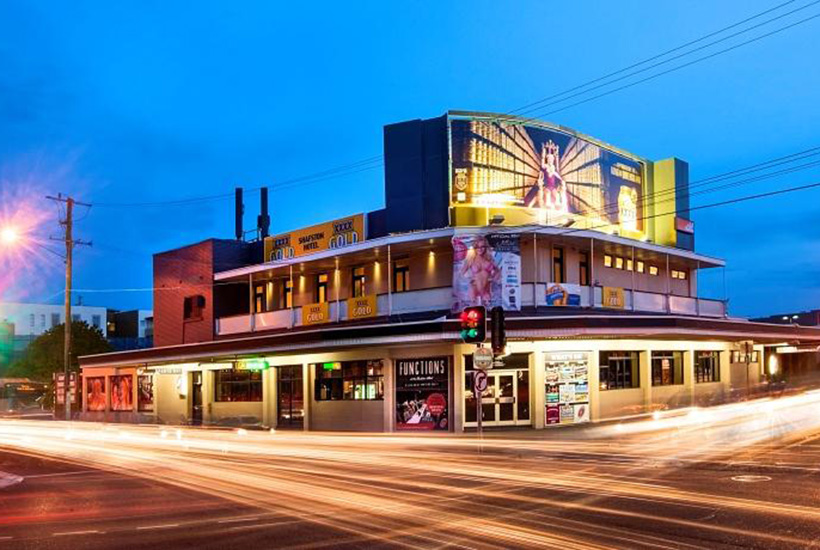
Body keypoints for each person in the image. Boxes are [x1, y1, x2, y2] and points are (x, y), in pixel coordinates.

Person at [459, 236, 500, 306]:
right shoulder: (471, 259)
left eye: (482, 246)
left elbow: (498, 271)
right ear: (474, 247)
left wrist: (493, 279)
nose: (480, 249)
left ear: (485, 247)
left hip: (486, 289)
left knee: (487, 311)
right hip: (474, 289)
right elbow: (461, 274)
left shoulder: (490, 259)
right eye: (477, 246)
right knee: (473, 312)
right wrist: (468, 279)